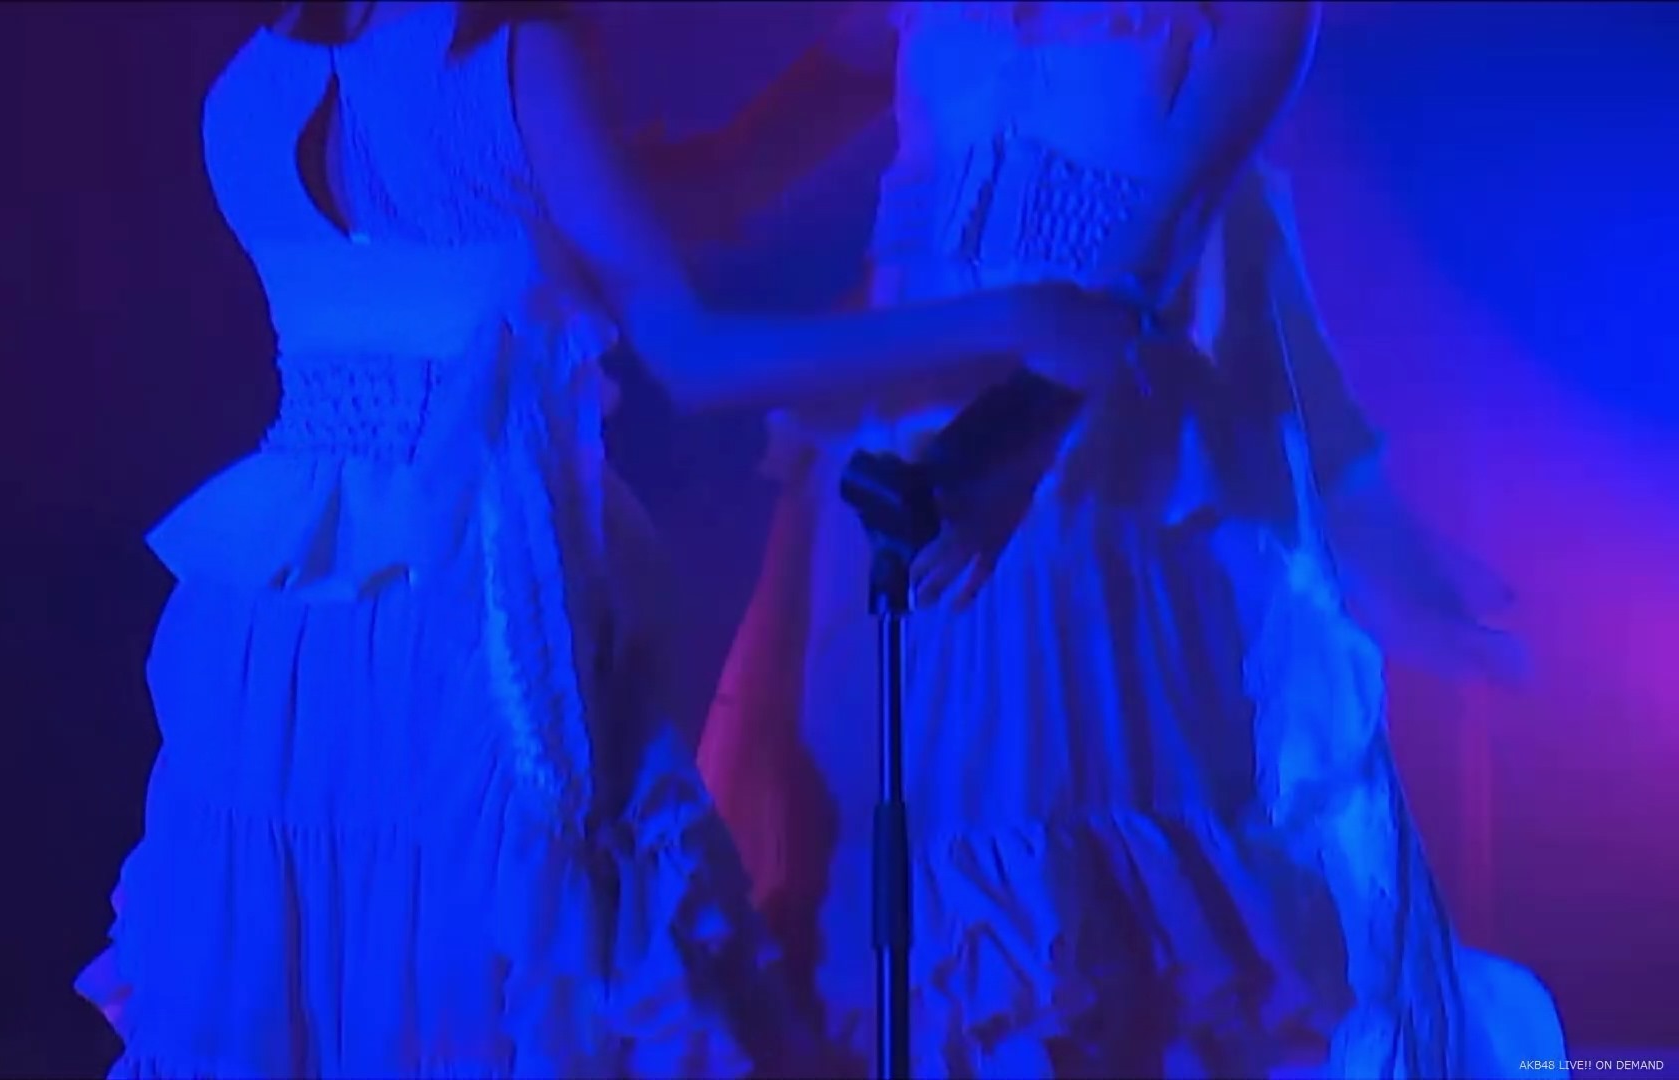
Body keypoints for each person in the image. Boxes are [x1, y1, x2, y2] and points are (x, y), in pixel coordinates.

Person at [74, 2, 1142, 1076]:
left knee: (305, 983)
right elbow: (693, 354)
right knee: (530, 977)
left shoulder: (242, 95)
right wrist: (1016, 319)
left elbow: (667, 194)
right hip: (474, 619)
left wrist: (867, 64)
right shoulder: (511, 60)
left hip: (276, 632)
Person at [657, 2, 1570, 1076]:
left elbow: (1160, 253)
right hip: (897, 460)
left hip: (1102, 486)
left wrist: (1010, 444)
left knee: (1098, 924)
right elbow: (726, 178)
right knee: (872, 899)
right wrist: (527, 140)